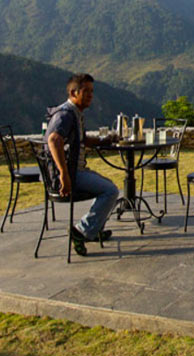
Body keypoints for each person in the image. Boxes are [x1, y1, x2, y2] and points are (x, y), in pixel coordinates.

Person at [44, 73, 119, 256]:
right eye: (86, 91)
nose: (90, 95)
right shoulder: (66, 115)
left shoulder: (76, 114)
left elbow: (82, 139)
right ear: (73, 92)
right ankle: (81, 231)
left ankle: (95, 228)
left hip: (75, 170)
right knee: (111, 191)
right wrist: (64, 174)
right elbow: (53, 140)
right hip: (70, 174)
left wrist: (104, 140)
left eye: (92, 91)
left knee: (106, 184)